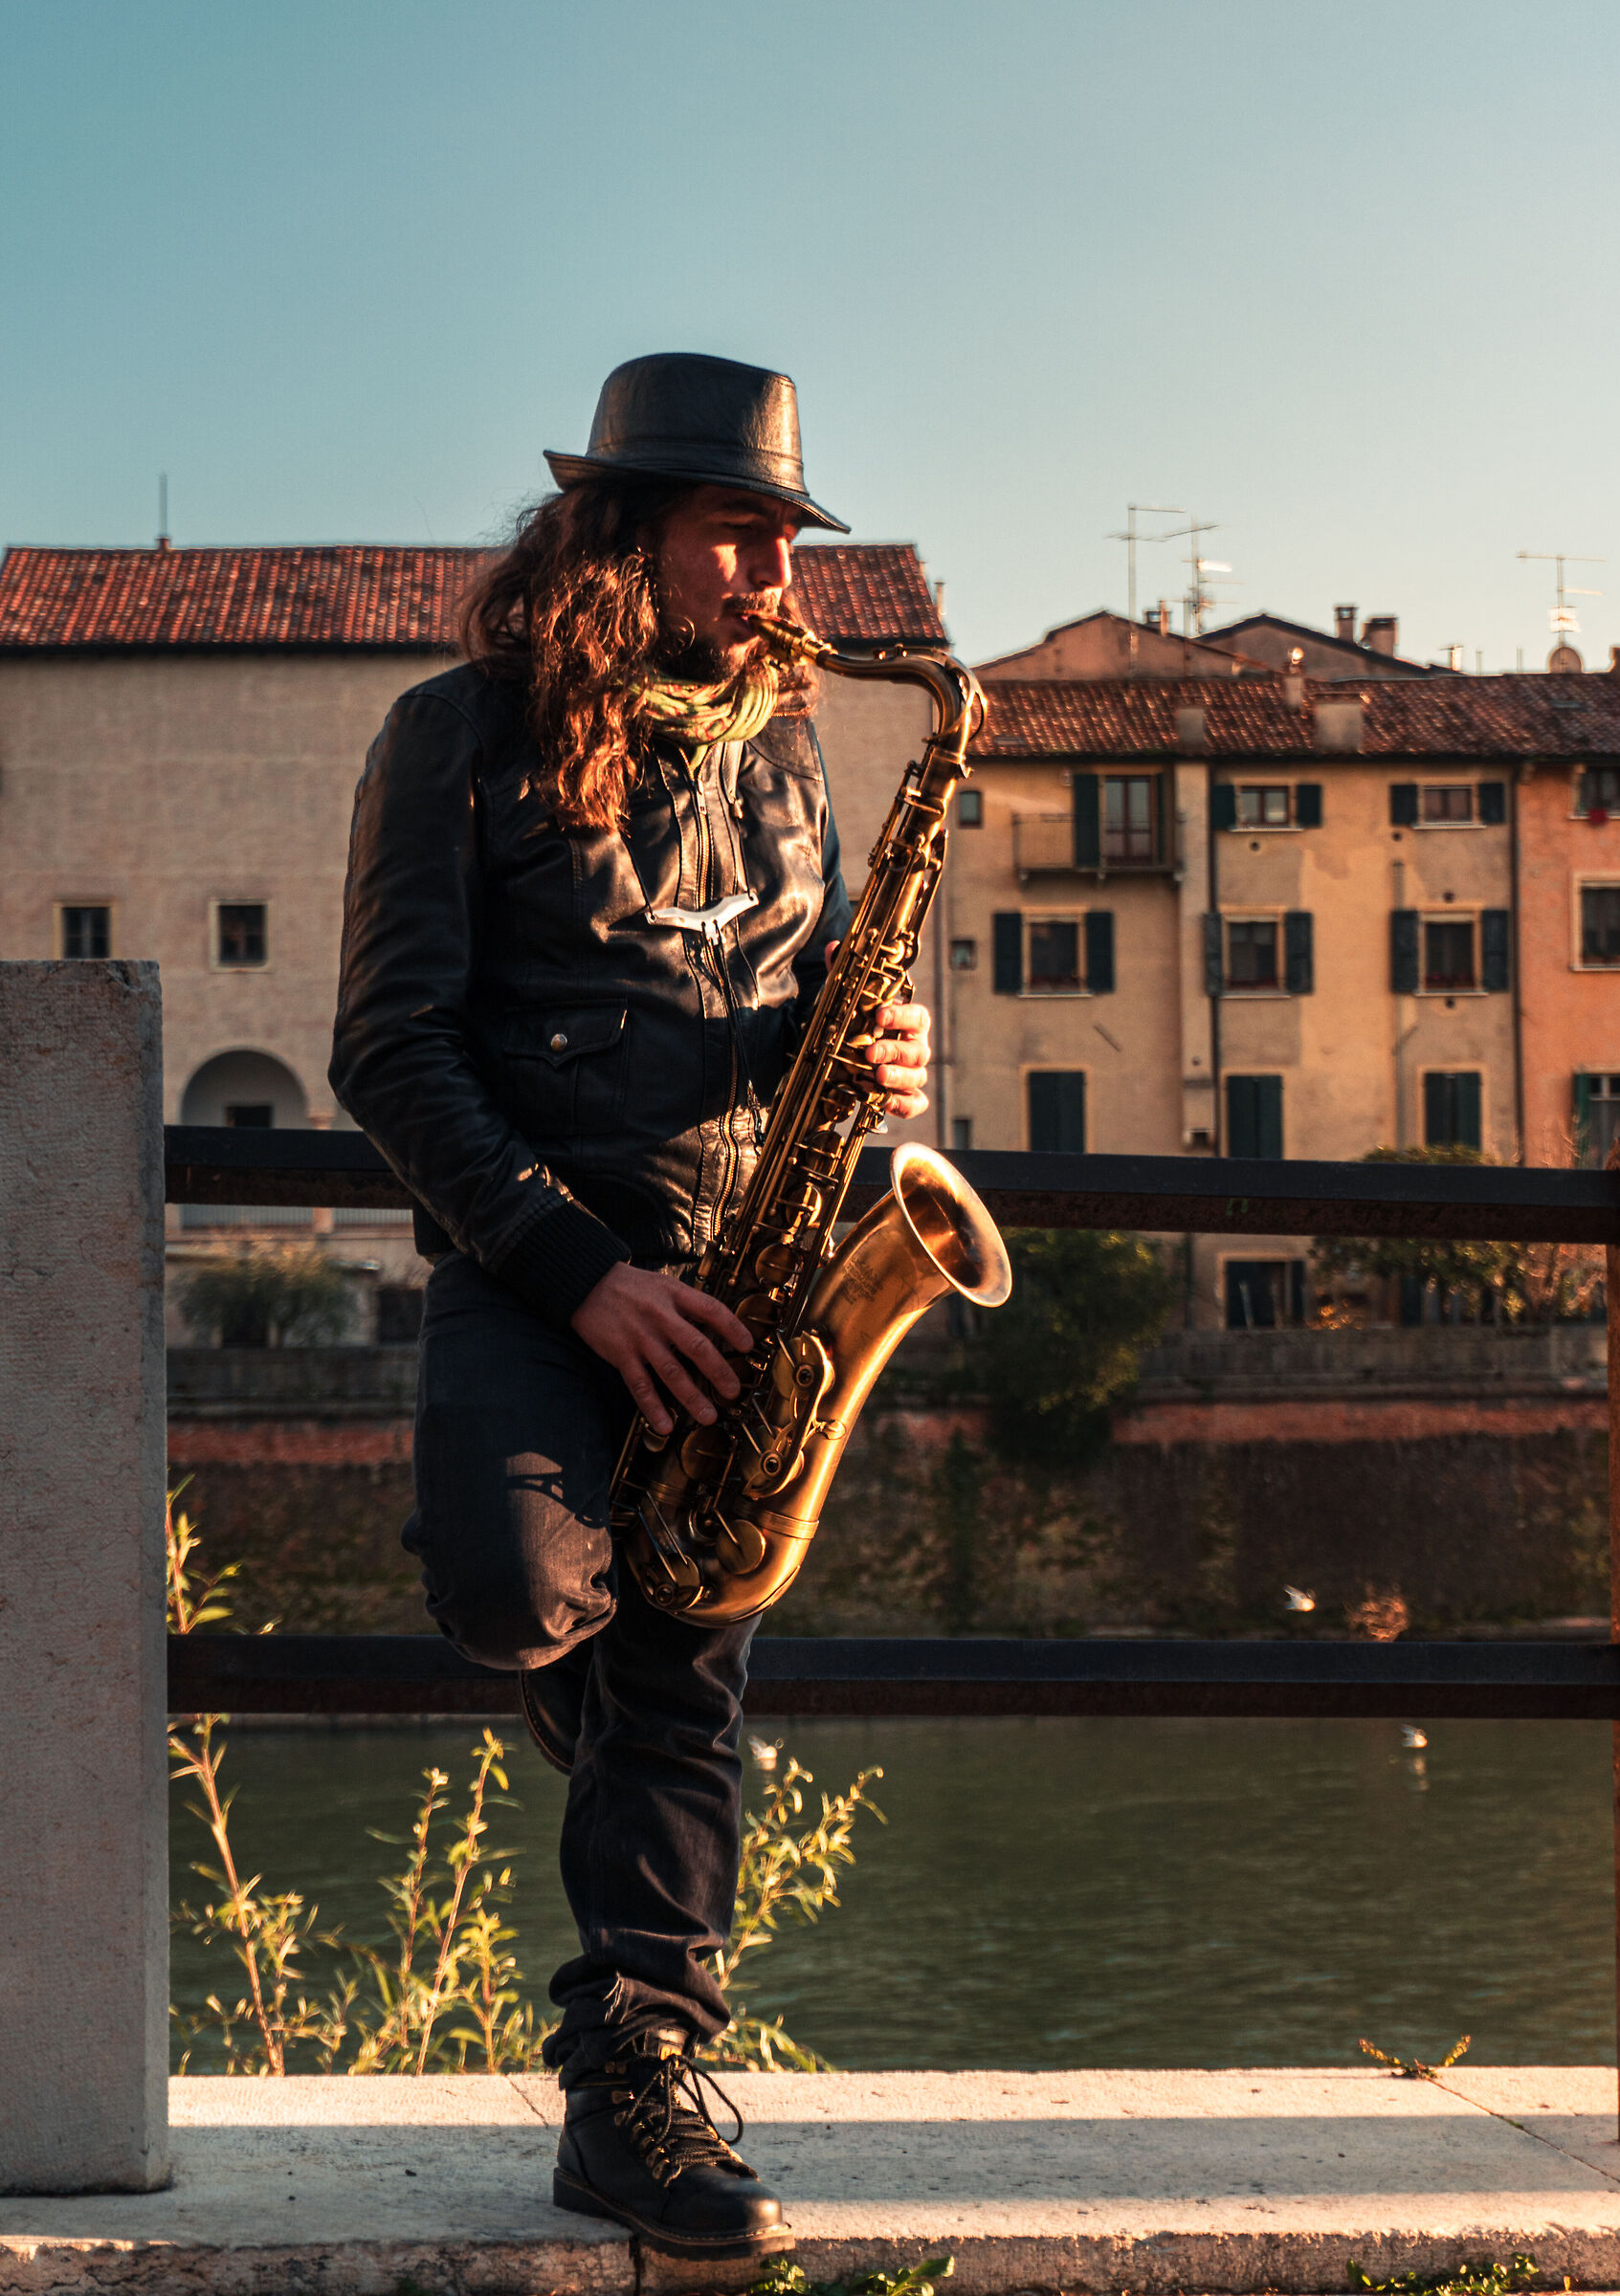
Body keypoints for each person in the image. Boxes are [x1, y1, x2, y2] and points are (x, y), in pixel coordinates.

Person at [329, 352, 931, 2261]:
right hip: (546, 1267)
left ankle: (639, 2083)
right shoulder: (451, 735)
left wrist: (873, 1034)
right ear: (620, 537)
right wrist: (581, 1282)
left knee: (681, 1667)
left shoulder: (782, 751)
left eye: (781, 531)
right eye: (736, 530)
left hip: (750, 1268)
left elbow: (803, 979)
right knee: (514, 1598)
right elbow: (392, 1048)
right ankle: (638, 1846)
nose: (777, 570)